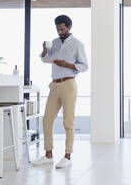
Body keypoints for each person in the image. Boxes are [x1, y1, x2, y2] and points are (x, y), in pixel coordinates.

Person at [32, 15, 88, 168]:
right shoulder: (54, 43)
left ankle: (67, 156)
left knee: (68, 122)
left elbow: (84, 66)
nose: (59, 32)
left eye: (62, 29)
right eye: (57, 29)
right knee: (46, 120)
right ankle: (48, 154)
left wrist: (68, 65)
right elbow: (44, 59)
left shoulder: (77, 44)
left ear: (69, 27)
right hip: (54, 86)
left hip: (68, 84)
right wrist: (44, 50)